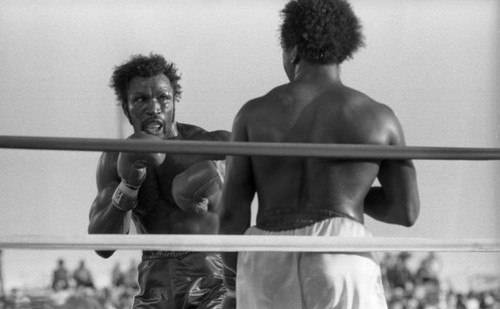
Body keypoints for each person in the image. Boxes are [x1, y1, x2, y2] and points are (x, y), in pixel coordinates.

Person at [219, 0, 420, 308]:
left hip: (267, 252)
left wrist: (232, 291)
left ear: (293, 50)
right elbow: (405, 211)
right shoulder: (379, 118)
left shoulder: (253, 114)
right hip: (342, 249)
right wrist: (350, 194)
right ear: (343, 51)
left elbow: (233, 212)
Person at [88, 53, 230, 308]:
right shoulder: (113, 158)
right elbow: (102, 246)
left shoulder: (210, 145)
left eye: (163, 98)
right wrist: (127, 189)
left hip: (211, 276)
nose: (154, 108)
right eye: (141, 99)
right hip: (154, 280)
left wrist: (221, 172)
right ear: (126, 107)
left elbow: (278, 166)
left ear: (174, 101)